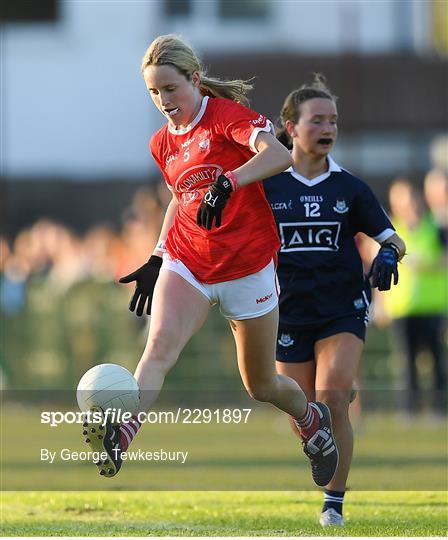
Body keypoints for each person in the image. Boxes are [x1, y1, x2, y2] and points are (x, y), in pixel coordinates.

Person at [82, 35, 339, 488]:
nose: (163, 100)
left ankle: (312, 422)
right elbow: (179, 200)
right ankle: (122, 435)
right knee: (158, 348)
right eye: (153, 92)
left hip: (248, 266)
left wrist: (229, 182)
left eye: (170, 89)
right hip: (190, 261)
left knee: (261, 386)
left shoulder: (225, 118)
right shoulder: (161, 143)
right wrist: (158, 255)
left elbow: (279, 155)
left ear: (195, 80)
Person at [263, 74, 406, 527]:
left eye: (334, 121)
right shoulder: (266, 186)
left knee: (334, 394)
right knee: (304, 412)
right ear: (290, 126)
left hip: (343, 306)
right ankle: (321, 428)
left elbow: (395, 238)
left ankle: (334, 506)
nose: (328, 128)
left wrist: (387, 252)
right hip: (286, 313)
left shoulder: (350, 187)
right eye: (317, 120)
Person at [375, 178, 447, 418]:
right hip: (402, 308)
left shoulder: (435, 227)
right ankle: (409, 410)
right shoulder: (391, 231)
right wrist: (381, 304)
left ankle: (439, 409)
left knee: (436, 360)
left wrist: (426, 264)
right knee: (406, 362)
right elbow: (378, 269)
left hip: (433, 305)